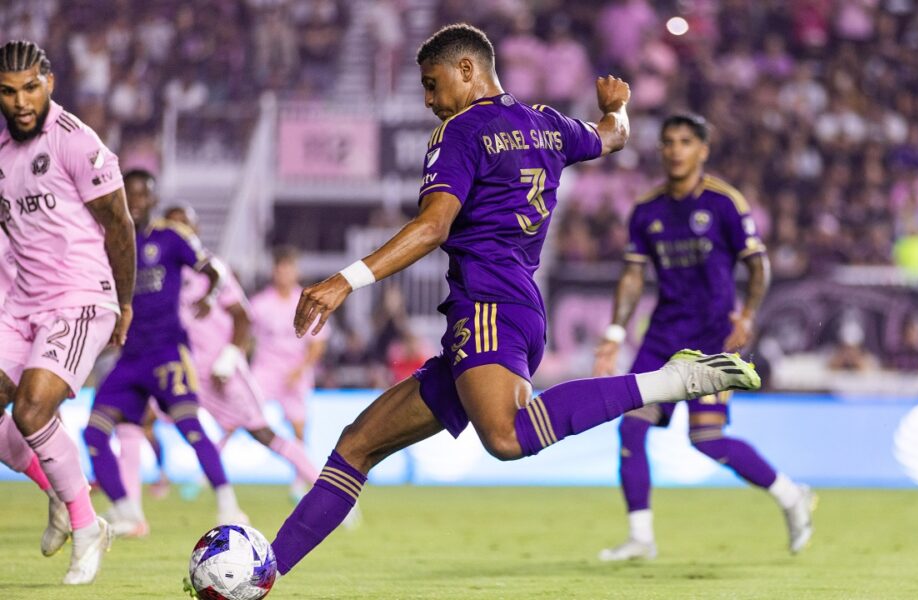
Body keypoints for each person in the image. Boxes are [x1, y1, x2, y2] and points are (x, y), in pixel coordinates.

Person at [267, 24, 760, 579]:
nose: (430, 101)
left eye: (433, 85)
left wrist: (345, 280)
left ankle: (675, 381)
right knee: (357, 443)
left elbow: (433, 227)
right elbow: (611, 136)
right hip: (517, 308)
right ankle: (265, 570)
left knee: (506, 436)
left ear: (468, 70)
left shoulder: (460, 132)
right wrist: (617, 107)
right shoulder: (547, 125)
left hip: (487, 304)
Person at [593, 114, 815, 561]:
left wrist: (748, 316)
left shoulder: (725, 203)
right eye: (669, 142)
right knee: (632, 427)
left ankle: (792, 496)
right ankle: (641, 537)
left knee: (707, 439)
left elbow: (758, 264)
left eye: (685, 142)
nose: (675, 149)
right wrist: (614, 336)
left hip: (714, 337)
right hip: (661, 339)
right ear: (660, 150)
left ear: (702, 151)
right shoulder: (646, 210)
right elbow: (632, 278)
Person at [0, 40, 135, 584]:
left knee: (31, 411)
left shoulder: (77, 142)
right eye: (7, 92)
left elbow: (120, 225)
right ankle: (56, 490)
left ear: (49, 82)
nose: (21, 101)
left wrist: (124, 304)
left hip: (80, 296)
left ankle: (88, 527)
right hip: (19, 302)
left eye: (30, 87)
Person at [82, 170, 247, 537]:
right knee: (94, 434)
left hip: (166, 353)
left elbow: (213, 270)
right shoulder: (112, 242)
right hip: (129, 358)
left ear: (154, 200)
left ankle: (229, 505)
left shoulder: (170, 238)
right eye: (132, 194)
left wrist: (209, 296)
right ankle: (128, 513)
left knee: (190, 427)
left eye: (144, 195)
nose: (137, 201)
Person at [166, 206, 322, 499]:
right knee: (141, 415)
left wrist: (229, 358)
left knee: (267, 429)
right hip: (223, 368)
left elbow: (243, 320)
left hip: (246, 369)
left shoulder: (213, 270)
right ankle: (135, 502)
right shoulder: (162, 274)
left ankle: (319, 486)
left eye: (184, 227)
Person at [249, 245, 327, 498]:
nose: (284, 273)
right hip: (264, 370)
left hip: (295, 372)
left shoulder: (307, 302)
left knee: (299, 428)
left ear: (296, 271)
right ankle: (207, 472)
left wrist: (301, 369)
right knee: (238, 415)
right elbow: (246, 338)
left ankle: (299, 480)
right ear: (274, 271)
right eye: (280, 268)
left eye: (289, 268)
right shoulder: (260, 304)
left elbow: (317, 344)